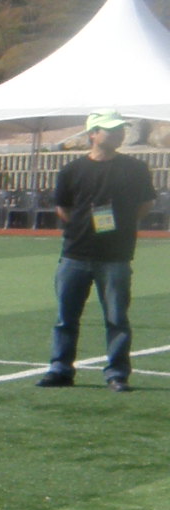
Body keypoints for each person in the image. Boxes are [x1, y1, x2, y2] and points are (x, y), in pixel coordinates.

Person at [37, 112, 156, 392]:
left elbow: (145, 204)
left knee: (116, 318)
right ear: (92, 134)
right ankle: (60, 368)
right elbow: (63, 209)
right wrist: (84, 226)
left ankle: (116, 373)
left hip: (115, 255)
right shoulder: (72, 170)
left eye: (119, 130)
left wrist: (122, 226)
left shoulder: (135, 168)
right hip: (75, 253)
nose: (117, 135)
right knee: (66, 317)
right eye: (110, 130)